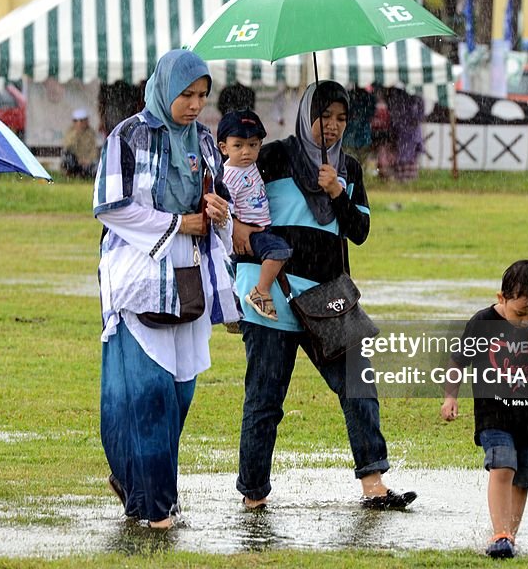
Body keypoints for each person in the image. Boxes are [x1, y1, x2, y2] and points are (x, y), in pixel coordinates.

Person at [233, 80, 416, 512]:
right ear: (305, 115)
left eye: (340, 119)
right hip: (271, 299)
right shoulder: (272, 157)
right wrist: (238, 236)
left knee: (358, 385)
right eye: (323, 117)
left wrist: (336, 192)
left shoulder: (348, 170)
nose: (331, 127)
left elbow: (360, 231)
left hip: (328, 302)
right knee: (264, 401)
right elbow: (233, 197)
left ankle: (374, 482)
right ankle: (253, 494)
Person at [93, 49, 238, 529]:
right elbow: (111, 207)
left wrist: (217, 213)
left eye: (202, 96)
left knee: (180, 395)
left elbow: (221, 202)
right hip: (140, 273)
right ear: (163, 89)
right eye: (186, 95)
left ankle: (143, 489)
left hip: (191, 278)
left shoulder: (203, 141)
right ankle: (157, 507)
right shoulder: (128, 136)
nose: (195, 105)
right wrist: (179, 223)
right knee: (148, 394)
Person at [440, 260, 528, 559]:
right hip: (494, 415)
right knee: (502, 466)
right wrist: (450, 397)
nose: (527, 321)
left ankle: (509, 538)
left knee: (525, 478)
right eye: (521, 313)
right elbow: (457, 362)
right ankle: (499, 532)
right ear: (501, 298)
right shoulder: (482, 322)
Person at [217, 109, 291, 321]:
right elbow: (223, 206)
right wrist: (236, 228)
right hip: (250, 231)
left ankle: (234, 310)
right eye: (238, 145)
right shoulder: (229, 175)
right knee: (279, 250)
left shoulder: (250, 166)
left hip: (259, 227)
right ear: (224, 148)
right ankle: (261, 292)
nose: (246, 152)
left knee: (232, 270)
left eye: (253, 145)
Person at [62, 107, 99, 178]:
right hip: (75, 162)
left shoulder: (91, 133)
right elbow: (68, 147)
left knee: (96, 166)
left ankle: (83, 174)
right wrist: (77, 133)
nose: (80, 123)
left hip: (87, 162)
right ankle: (72, 174)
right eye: (77, 121)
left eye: (82, 121)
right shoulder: (70, 132)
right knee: (68, 158)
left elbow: (94, 150)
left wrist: (88, 160)